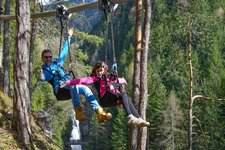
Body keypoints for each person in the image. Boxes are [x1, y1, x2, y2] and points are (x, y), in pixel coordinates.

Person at [39, 28, 112, 123]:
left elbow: (64, 51)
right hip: (60, 91)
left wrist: (69, 37)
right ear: (43, 59)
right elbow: (43, 78)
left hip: (69, 86)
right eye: (46, 57)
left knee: (86, 89)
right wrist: (41, 77)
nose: (48, 58)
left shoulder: (57, 62)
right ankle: (78, 112)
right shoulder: (45, 71)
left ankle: (100, 113)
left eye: (50, 56)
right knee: (73, 85)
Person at [60, 61, 150, 127]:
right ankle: (130, 116)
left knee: (126, 98)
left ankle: (138, 118)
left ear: (104, 70)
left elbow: (116, 80)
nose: (100, 72)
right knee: (123, 95)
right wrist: (68, 82)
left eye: (101, 70)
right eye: (98, 71)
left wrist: (122, 80)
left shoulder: (107, 77)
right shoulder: (94, 78)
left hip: (110, 99)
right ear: (95, 71)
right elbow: (82, 80)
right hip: (105, 100)